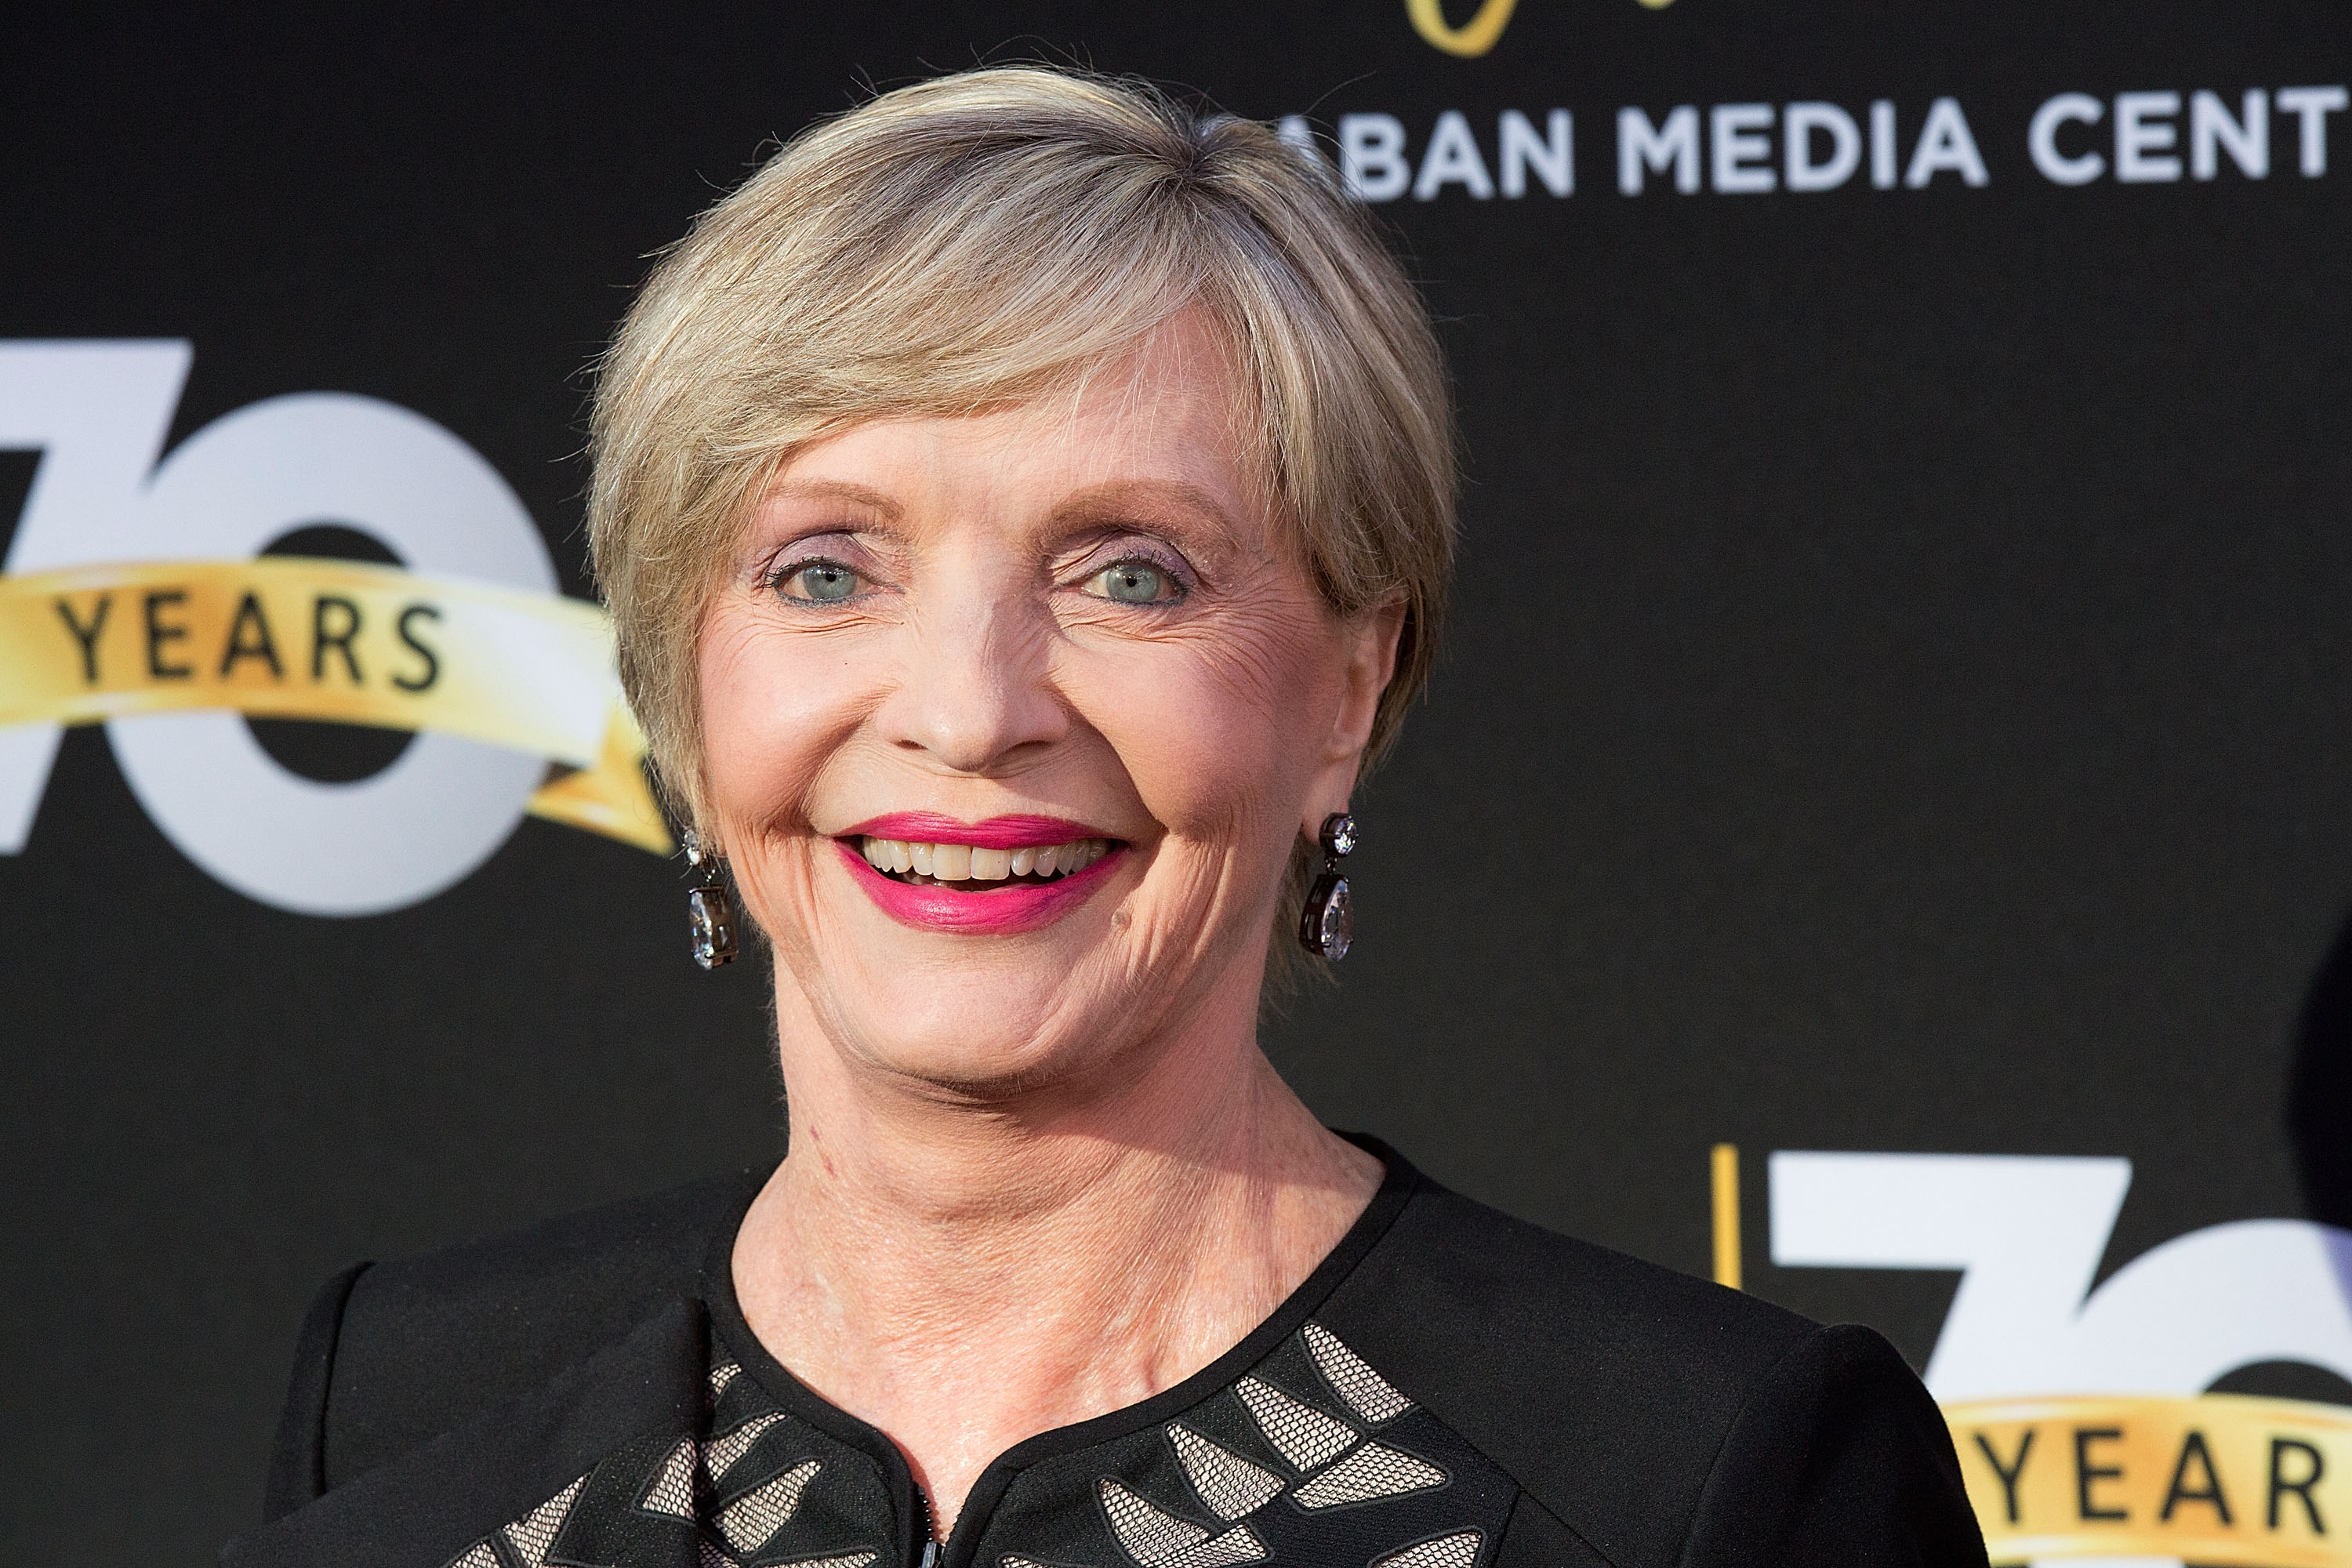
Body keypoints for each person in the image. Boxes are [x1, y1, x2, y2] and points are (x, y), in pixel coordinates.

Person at [227, 67, 1987, 1568]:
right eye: (827, 570)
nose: (969, 708)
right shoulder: (411, 1404)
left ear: (1348, 689)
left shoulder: (1698, 1476)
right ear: (683, 675)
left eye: (1129, 574)